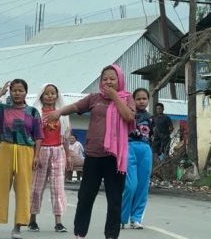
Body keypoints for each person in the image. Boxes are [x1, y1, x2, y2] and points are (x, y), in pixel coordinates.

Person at [45, 65, 135, 239]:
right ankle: (80, 234)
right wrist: (58, 112)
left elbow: (129, 117)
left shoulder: (127, 98)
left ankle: (111, 236)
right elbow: (75, 107)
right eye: (104, 78)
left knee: (114, 200)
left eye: (112, 78)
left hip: (115, 158)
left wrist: (115, 97)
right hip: (93, 155)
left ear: (120, 80)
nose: (108, 81)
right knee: (85, 197)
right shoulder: (94, 98)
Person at [0, 79, 43, 239]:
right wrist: (1, 92)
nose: (17, 93)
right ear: (10, 92)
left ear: (26, 93)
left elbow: (38, 136)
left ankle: (18, 227)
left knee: (23, 190)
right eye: (14, 90)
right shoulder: (2, 109)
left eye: (20, 90)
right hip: (6, 149)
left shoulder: (33, 112)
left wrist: (37, 155)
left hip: (26, 151)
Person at [28, 83, 71, 233]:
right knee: (36, 188)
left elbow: (65, 136)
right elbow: (32, 136)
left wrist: (69, 155)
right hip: (41, 151)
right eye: (47, 93)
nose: (50, 96)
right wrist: (35, 155)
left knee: (57, 187)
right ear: (41, 96)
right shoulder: (36, 113)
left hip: (58, 151)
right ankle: (32, 220)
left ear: (57, 95)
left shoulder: (62, 113)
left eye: (53, 93)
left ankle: (58, 222)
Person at [121, 88, 153, 230]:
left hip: (145, 150)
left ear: (148, 100)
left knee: (142, 186)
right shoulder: (129, 115)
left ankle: (136, 219)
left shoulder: (151, 118)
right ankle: (122, 218)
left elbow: (153, 136)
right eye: (138, 98)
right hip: (129, 148)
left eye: (144, 98)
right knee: (130, 185)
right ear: (133, 100)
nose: (141, 101)